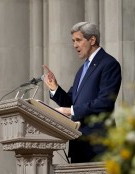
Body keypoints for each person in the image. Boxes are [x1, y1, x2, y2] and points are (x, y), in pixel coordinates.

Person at [43, 22, 122, 163]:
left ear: (92, 40)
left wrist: (69, 110)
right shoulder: (82, 70)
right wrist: (54, 88)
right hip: (79, 145)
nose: (75, 45)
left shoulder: (109, 64)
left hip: (99, 145)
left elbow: (105, 103)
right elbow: (71, 101)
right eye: (73, 41)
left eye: (78, 40)